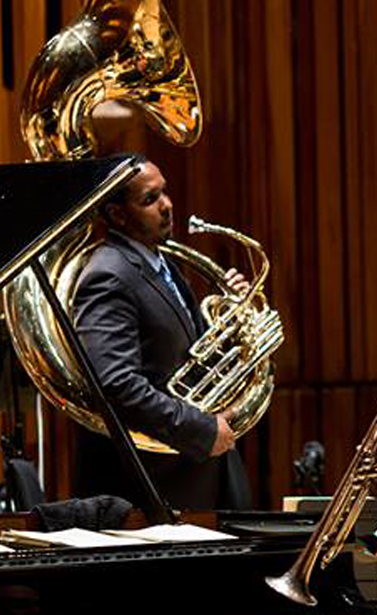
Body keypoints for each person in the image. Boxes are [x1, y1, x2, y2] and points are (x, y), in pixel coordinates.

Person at [72, 156, 250, 510]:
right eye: (149, 200)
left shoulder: (161, 264)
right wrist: (199, 429)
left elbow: (193, 357)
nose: (167, 206)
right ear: (117, 215)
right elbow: (117, 384)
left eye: (164, 193)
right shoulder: (108, 275)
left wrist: (234, 316)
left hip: (194, 472)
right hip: (155, 485)